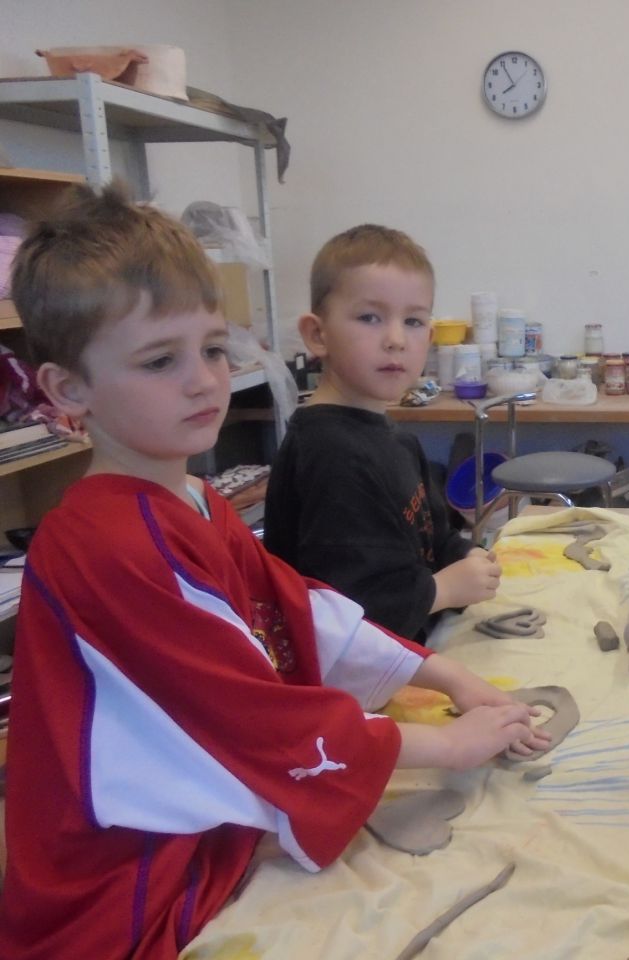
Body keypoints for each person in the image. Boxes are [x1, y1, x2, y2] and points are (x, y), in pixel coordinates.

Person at [0, 187, 548, 960]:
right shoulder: (105, 546)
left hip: (199, 825)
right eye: (160, 360)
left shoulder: (193, 499)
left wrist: (442, 674)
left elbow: (296, 609)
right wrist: (447, 747)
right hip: (125, 880)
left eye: (213, 349)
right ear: (68, 392)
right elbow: (251, 716)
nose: (204, 380)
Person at [264, 224, 499, 643]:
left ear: (430, 339)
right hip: (361, 673)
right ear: (318, 334)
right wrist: (443, 589)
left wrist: (464, 554)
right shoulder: (331, 455)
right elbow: (349, 609)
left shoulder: (395, 438)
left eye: (413, 321)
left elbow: (432, 537)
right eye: (370, 317)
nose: (395, 340)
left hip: (412, 646)